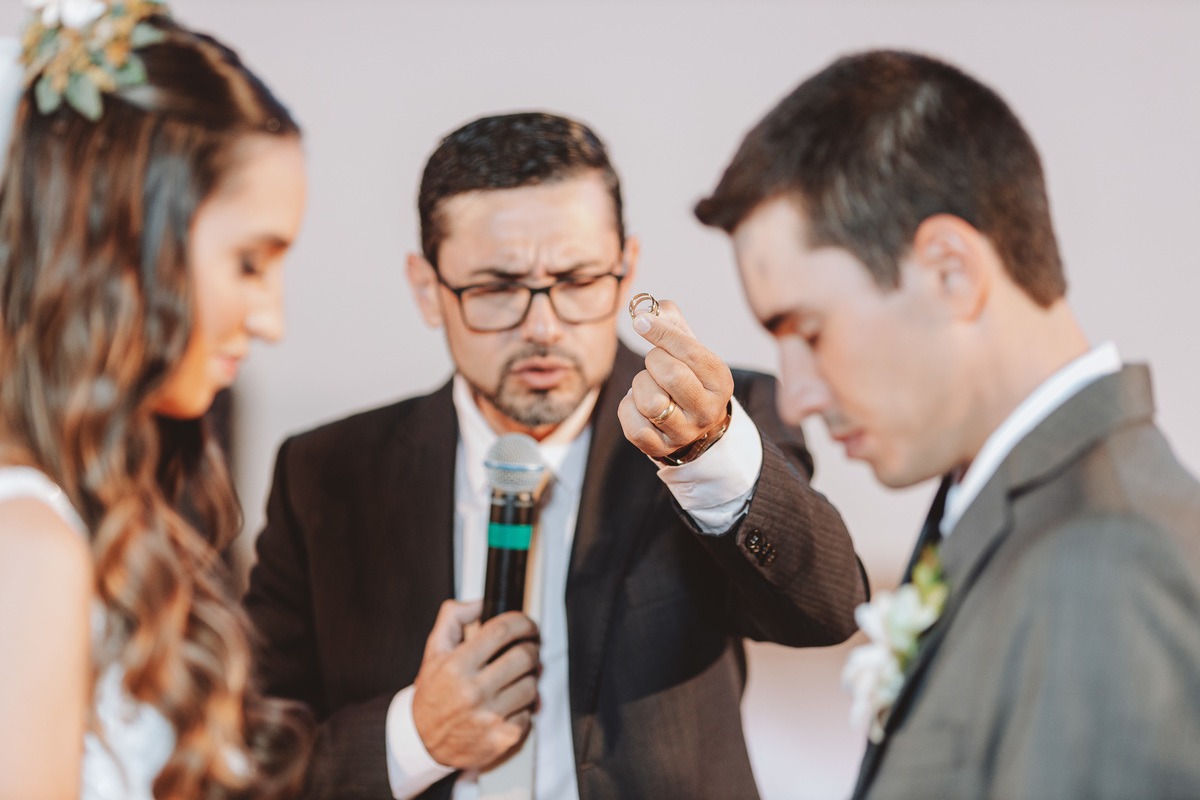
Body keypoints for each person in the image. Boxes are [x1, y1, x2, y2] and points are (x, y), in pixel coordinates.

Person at [245, 111, 867, 800]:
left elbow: (830, 610)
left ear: (626, 269)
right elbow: (251, 757)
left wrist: (707, 452)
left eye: (575, 281)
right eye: (497, 289)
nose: (542, 328)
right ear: (429, 289)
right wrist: (415, 737)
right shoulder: (324, 474)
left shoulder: (724, 419)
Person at [695, 49, 1200, 799]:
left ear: (950, 271)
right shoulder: (1013, 512)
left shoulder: (1107, 560)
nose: (795, 396)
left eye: (809, 331)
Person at [0, 2, 311, 798]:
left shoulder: (98, 512)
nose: (272, 319)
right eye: (249, 262)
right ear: (126, 241)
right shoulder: (25, 548)